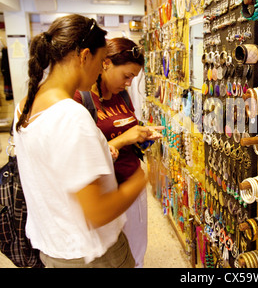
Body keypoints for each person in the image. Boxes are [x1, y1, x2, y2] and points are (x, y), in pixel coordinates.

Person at [13, 14, 147, 268]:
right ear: (85, 56)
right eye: (100, 60)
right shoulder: (71, 116)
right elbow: (97, 213)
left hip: (54, 248)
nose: (100, 69)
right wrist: (140, 181)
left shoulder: (25, 106)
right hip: (91, 255)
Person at [74, 37, 163, 267]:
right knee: (110, 256)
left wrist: (142, 135)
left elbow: (127, 128)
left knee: (136, 252)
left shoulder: (121, 96)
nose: (129, 83)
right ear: (105, 64)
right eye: (126, 76)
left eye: (133, 77)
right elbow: (78, 151)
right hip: (104, 194)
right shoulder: (81, 99)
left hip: (131, 183)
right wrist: (123, 139)